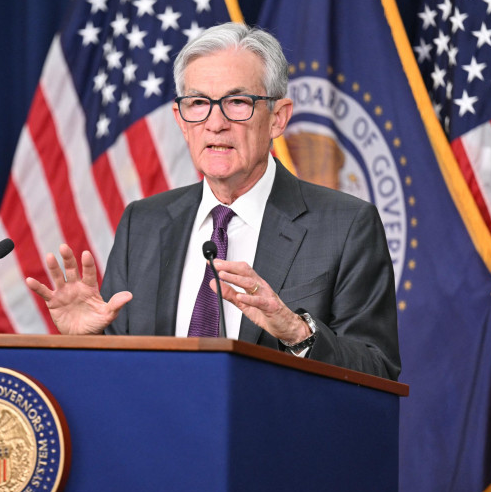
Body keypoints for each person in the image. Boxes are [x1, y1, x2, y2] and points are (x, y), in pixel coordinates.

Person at [26, 22, 400, 380]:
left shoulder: (346, 226)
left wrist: (296, 332)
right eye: (199, 102)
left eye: (237, 102)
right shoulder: (143, 222)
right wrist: (86, 342)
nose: (215, 122)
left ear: (278, 118)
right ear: (180, 118)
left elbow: (377, 369)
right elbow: (123, 374)